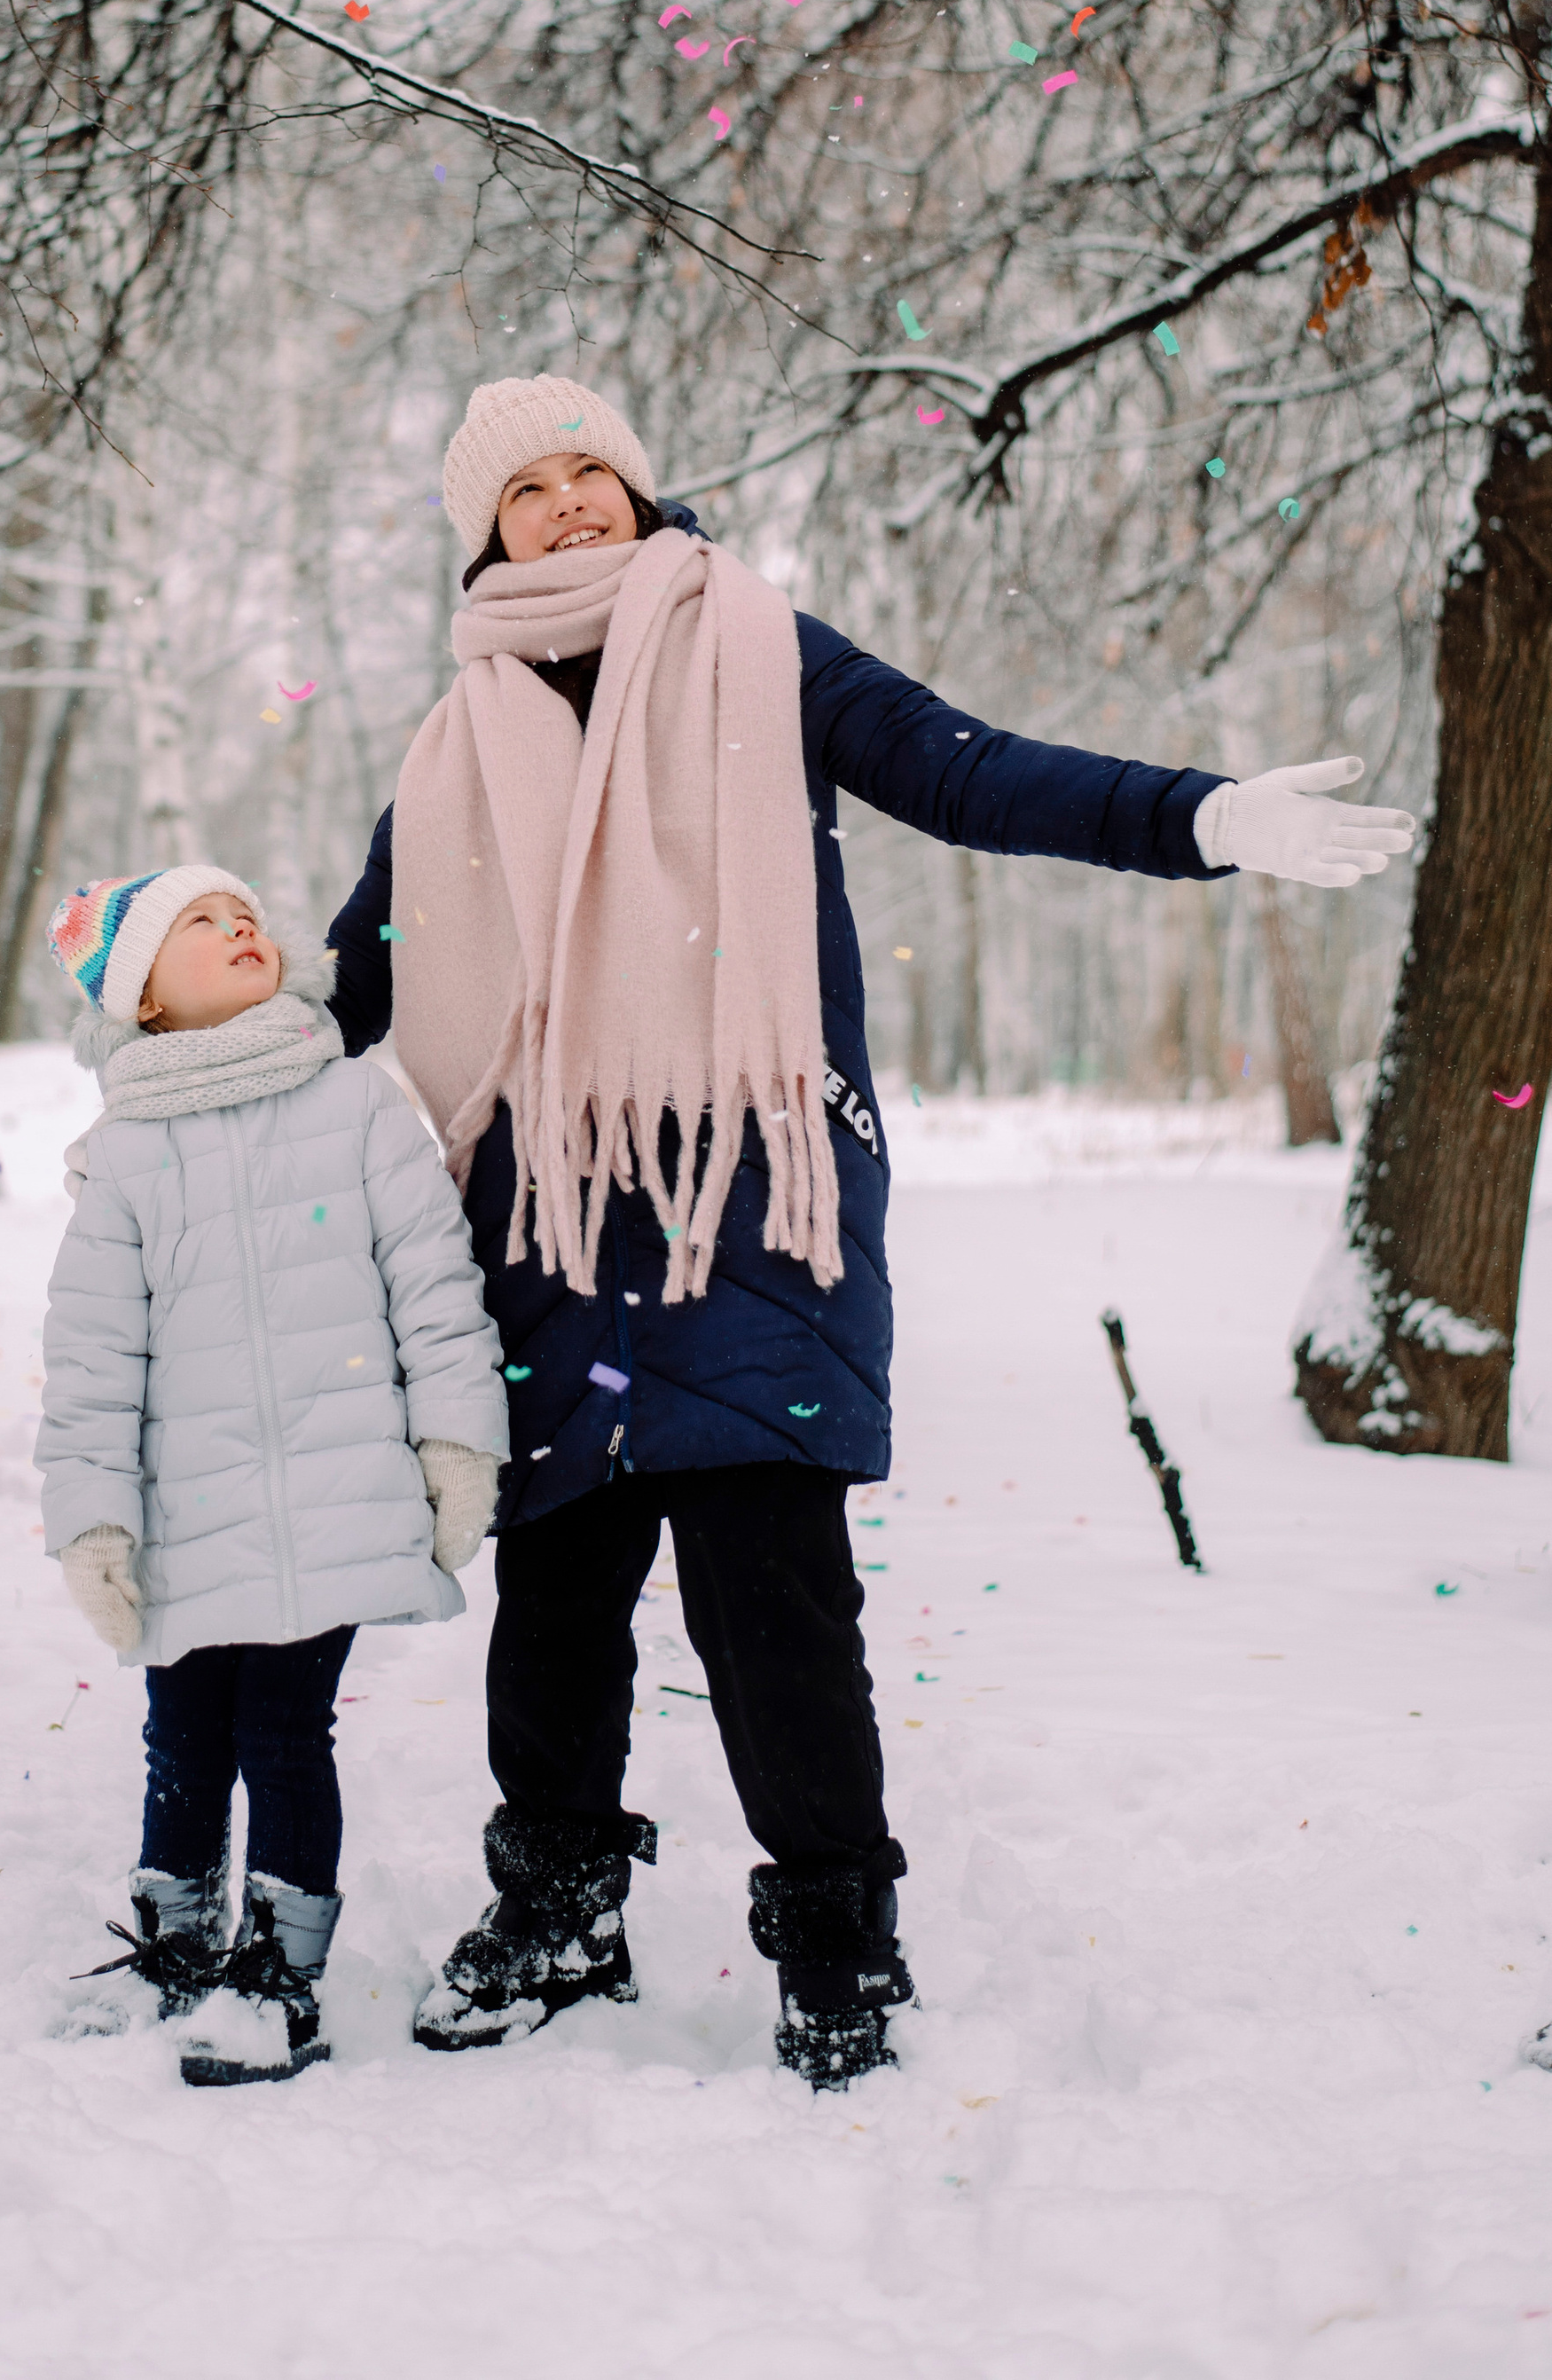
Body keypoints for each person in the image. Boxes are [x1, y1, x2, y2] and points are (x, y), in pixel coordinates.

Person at [325, 372, 1415, 2087]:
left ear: (639, 479)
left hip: (757, 1194)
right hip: (543, 1220)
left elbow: (967, 772)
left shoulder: (760, 649)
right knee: (554, 1598)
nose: (568, 506)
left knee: (772, 1595)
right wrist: (190, 1056)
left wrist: (1203, 818)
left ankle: (838, 1941)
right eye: (524, 490)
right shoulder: (455, 745)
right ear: (485, 537)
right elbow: (358, 971)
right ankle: (558, 1912)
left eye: (590, 468)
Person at [34, 860, 507, 2086]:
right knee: (184, 1732)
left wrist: (457, 1438)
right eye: (199, 922)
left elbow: (434, 1285)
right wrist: (94, 1521)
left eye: (243, 911)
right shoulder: (126, 1157)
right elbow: (93, 1356)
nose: (237, 925)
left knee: (285, 1734)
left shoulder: (352, 1104)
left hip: (332, 1501)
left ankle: (279, 1976)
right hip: (189, 1516)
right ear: (144, 998)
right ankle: (179, 1939)